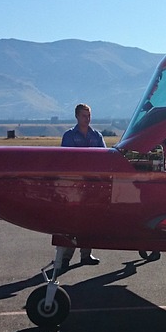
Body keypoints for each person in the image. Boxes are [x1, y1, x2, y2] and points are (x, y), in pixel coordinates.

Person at [61, 103, 105, 265]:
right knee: (71, 220)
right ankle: (65, 256)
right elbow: (66, 160)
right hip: (74, 185)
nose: (87, 119)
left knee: (89, 219)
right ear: (77, 117)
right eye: (84, 116)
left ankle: (86, 254)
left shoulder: (97, 136)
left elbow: (104, 158)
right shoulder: (69, 136)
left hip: (92, 185)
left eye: (89, 115)